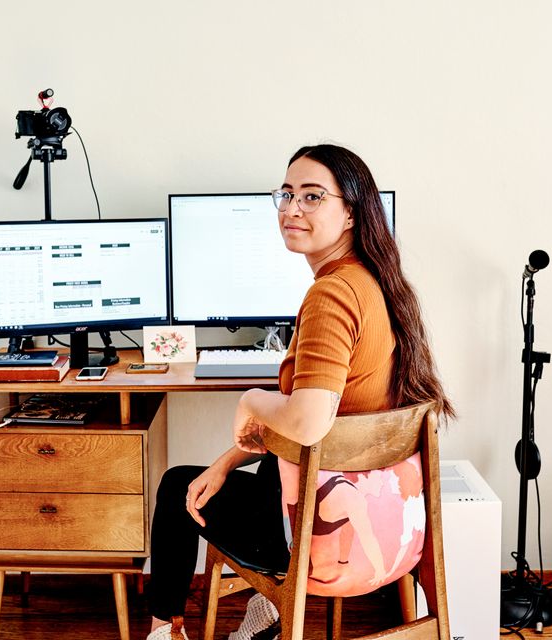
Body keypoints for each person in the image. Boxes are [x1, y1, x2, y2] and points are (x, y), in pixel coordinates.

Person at [146, 144, 454, 640]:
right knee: (208, 476)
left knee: (175, 487)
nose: (291, 209)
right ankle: (264, 615)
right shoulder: (377, 283)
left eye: (312, 197)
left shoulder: (332, 294)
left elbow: (310, 422)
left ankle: (166, 630)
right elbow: (340, 422)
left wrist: (250, 398)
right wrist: (228, 460)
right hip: (383, 525)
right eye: (286, 194)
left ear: (350, 212)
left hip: (310, 532)